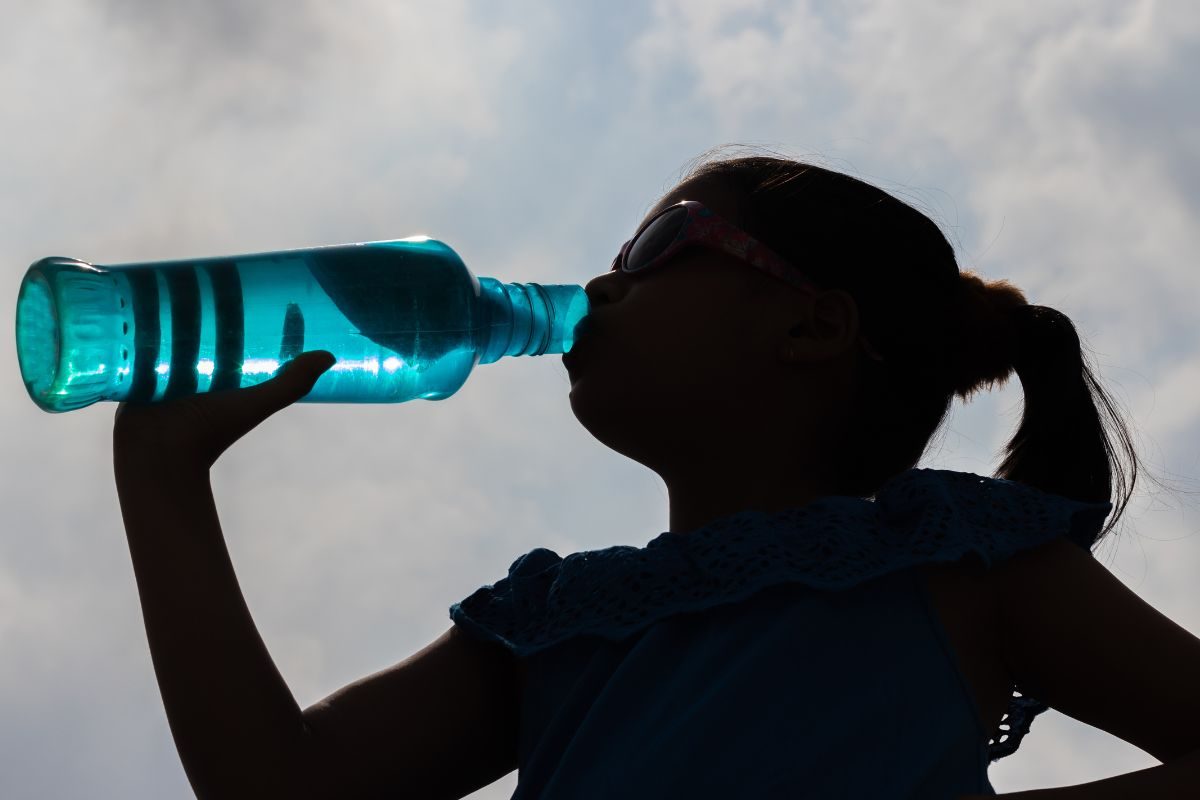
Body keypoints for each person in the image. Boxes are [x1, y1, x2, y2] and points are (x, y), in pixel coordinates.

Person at [112, 151, 1200, 799]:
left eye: (656, 249)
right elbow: (281, 784)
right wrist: (163, 484)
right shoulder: (559, 617)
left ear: (810, 324)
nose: (600, 282)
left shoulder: (956, 552)